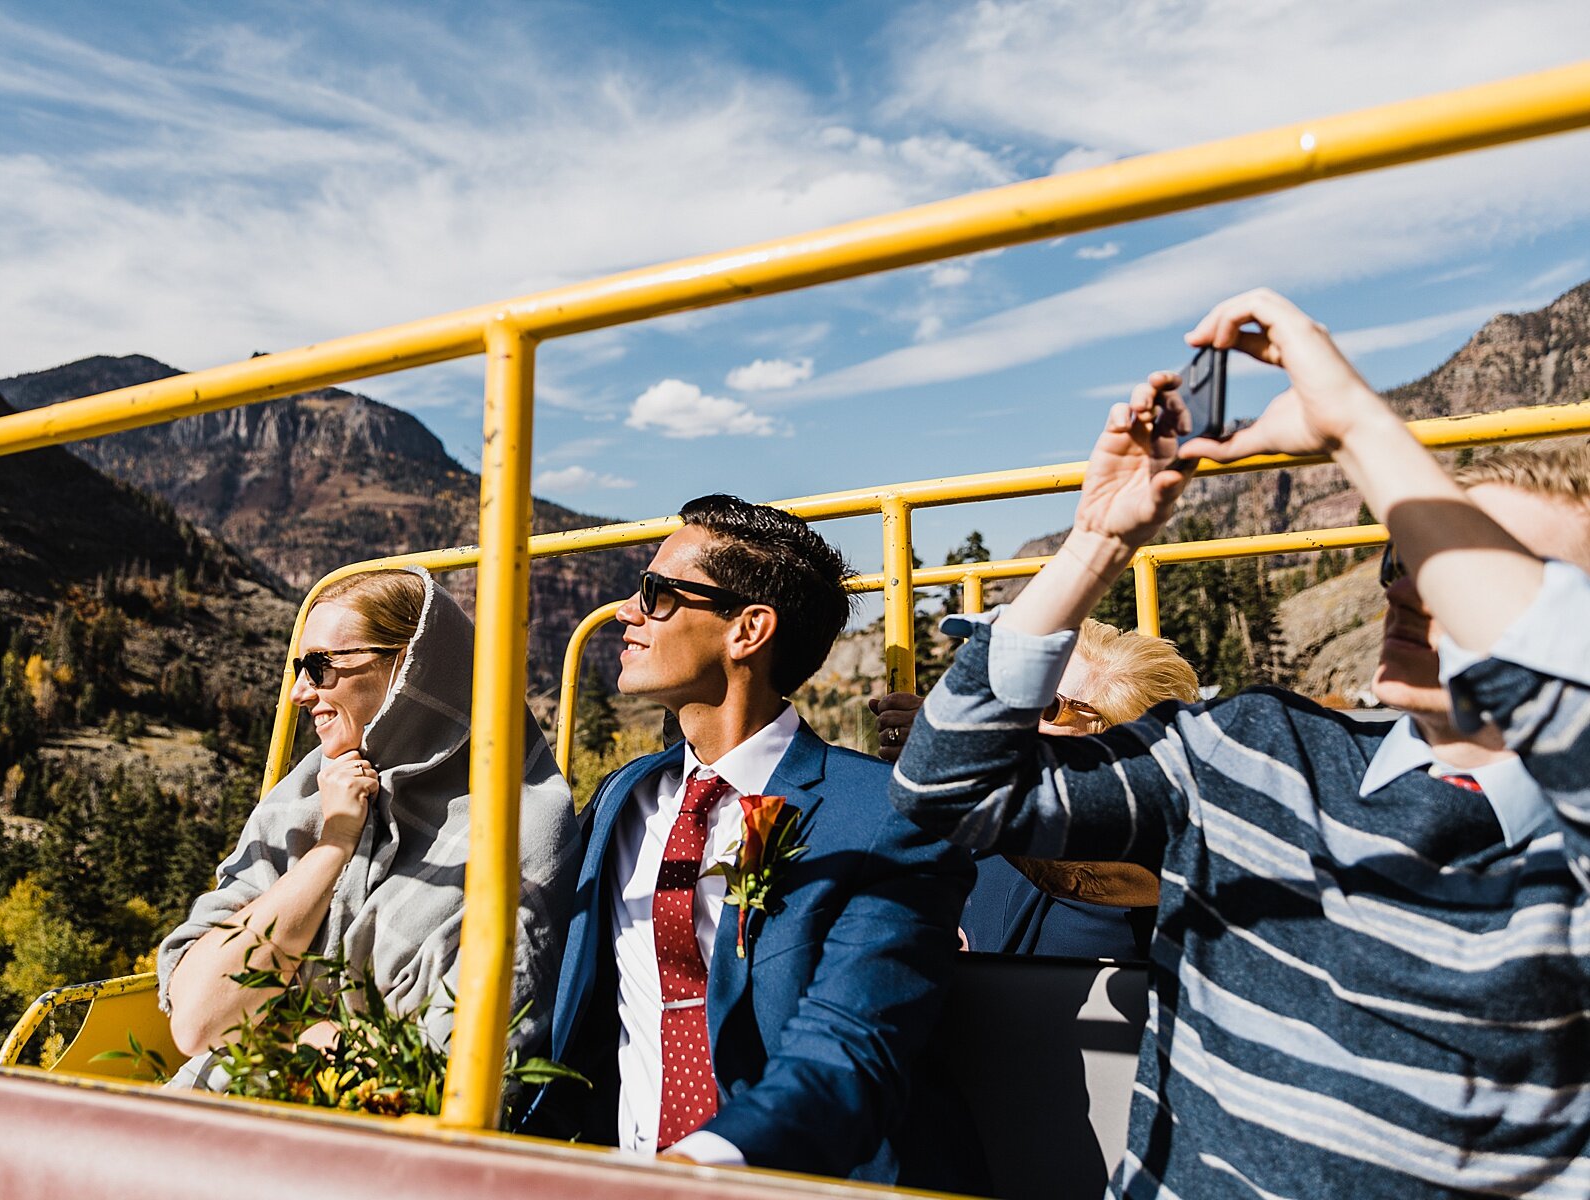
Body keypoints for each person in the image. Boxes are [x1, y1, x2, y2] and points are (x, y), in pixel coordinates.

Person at [888, 289, 1590, 1198]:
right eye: (1404, 560)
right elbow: (948, 791)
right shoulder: (1254, 748)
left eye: (1468, 571)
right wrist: (1095, 545)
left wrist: (1357, 427)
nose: (1415, 592)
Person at [520, 495, 979, 1189]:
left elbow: (853, 1050)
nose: (625, 612)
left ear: (748, 630)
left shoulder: (884, 818)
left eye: (657, 593)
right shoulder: (622, 799)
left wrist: (703, 1166)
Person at [156, 566, 582, 1090]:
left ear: (410, 669)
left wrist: (271, 1037)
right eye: (298, 668)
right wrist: (333, 845)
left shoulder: (520, 827)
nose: (298, 693)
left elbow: (453, 1064)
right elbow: (198, 1018)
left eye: (319, 667)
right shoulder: (303, 798)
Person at [874, 619, 1199, 958]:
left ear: (1114, 738)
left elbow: (1072, 872)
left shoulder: (1161, 840)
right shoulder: (979, 823)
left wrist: (958, 757)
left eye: (1045, 705)